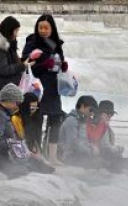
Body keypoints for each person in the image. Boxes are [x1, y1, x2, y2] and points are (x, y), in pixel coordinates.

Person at [22, 14, 68, 165]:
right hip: (37, 87)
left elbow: (60, 60)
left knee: (55, 119)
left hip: (54, 87)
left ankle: (53, 156)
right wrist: (43, 65)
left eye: (46, 28)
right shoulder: (31, 42)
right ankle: (38, 154)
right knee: (37, 119)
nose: (43, 30)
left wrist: (63, 65)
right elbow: (25, 63)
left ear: (52, 28)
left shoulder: (56, 43)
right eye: (40, 27)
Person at [0, 84, 54, 179]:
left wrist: (23, 149)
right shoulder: (2, 116)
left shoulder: (6, 114)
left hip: (10, 153)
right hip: (4, 157)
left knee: (37, 164)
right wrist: (14, 145)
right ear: (8, 100)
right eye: (16, 103)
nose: (17, 107)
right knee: (25, 169)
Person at [87, 100, 128, 173]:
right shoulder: (100, 125)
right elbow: (105, 148)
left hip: (95, 156)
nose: (110, 117)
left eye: (111, 114)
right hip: (96, 157)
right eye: (108, 114)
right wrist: (119, 149)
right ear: (101, 113)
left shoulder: (96, 123)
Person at [58, 95, 98, 168]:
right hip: (70, 157)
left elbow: (83, 141)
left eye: (93, 111)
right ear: (82, 106)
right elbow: (73, 144)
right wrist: (91, 150)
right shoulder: (72, 120)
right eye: (91, 110)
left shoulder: (81, 121)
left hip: (80, 155)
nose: (92, 113)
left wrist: (92, 147)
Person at [0, 16, 34, 90]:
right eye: (16, 31)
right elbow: (3, 69)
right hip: (5, 89)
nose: (17, 34)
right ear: (9, 30)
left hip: (11, 86)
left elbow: (13, 61)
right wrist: (22, 66)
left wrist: (27, 59)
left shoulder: (9, 44)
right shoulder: (2, 47)